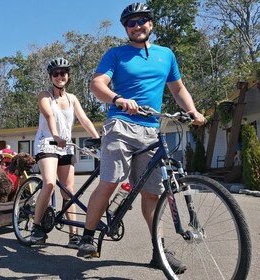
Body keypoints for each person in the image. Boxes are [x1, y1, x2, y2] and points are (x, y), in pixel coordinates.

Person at [77, 2, 205, 274]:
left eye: (141, 21)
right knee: (111, 180)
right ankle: (87, 237)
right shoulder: (116, 54)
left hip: (150, 129)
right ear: (126, 28)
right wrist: (118, 99)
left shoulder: (166, 55)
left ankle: (158, 251)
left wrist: (191, 110)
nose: (137, 26)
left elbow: (178, 88)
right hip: (121, 124)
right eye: (131, 23)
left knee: (153, 194)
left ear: (151, 24)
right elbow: (97, 84)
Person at [31, 57, 100, 248]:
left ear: (68, 76)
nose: (59, 76)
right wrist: (55, 135)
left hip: (66, 145)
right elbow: (49, 115)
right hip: (48, 143)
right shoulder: (45, 95)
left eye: (63, 73)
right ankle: (36, 227)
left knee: (68, 191)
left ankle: (74, 235)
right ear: (51, 77)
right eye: (56, 74)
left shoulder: (73, 98)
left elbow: (84, 119)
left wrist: (97, 138)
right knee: (50, 183)